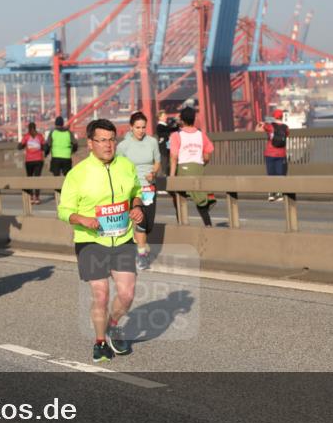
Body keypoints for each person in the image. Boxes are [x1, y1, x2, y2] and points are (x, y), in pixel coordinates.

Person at [58, 119, 144, 363]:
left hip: (123, 237)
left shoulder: (126, 166)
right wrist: (82, 219)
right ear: (90, 143)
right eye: (102, 140)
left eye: (111, 139)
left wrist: (137, 208)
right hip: (91, 240)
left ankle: (113, 324)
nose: (108, 145)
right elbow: (64, 210)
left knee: (127, 294)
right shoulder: (77, 174)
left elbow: (136, 193)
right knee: (102, 294)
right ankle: (99, 343)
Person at [117, 112, 161, 270]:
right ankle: (142, 256)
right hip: (133, 189)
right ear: (131, 127)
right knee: (140, 221)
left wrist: (154, 173)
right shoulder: (123, 146)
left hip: (149, 188)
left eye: (143, 127)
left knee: (148, 224)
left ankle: (138, 243)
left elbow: (157, 162)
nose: (141, 130)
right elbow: (117, 166)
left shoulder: (152, 142)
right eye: (137, 127)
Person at [168, 106, 216, 227]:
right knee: (201, 200)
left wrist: (172, 176)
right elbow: (207, 155)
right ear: (194, 119)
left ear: (182, 120)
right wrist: (201, 164)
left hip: (183, 170)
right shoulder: (201, 135)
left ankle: (182, 224)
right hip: (198, 168)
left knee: (179, 198)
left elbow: (174, 157)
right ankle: (208, 225)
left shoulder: (176, 135)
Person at [258, 109, 290, 201]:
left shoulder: (270, 126)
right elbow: (287, 134)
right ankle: (279, 194)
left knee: (271, 174)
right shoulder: (286, 127)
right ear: (282, 116)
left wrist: (261, 123)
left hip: (270, 153)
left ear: (274, 117)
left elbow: (260, 129)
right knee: (280, 174)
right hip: (281, 154)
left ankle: (271, 194)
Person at [18, 121, 45, 204]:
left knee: (29, 178)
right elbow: (44, 147)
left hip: (29, 161)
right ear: (35, 128)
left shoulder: (26, 137)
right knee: (37, 179)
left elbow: (19, 147)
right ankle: (37, 197)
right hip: (38, 160)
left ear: (29, 129)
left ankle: (31, 197)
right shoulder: (40, 136)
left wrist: (23, 144)